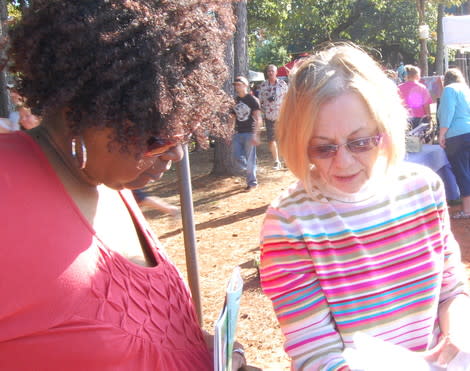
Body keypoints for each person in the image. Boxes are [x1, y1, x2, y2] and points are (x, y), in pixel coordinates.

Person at [0, 1, 246, 370]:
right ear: (79, 107)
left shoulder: (111, 184)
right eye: (156, 136)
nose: (176, 154)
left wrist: (202, 350)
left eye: (185, 133)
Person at [259, 43, 470, 370]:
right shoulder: (288, 222)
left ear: (383, 129)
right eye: (323, 148)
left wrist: (458, 335)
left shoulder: (423, 188)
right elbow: (313, 351)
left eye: (360, 142)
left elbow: (451, 287)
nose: (343, 162)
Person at [438, 68, 470, 219]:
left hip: (457, 136)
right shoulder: (465, 89)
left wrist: (442, 134)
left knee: (462, 171)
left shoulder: (449, 90)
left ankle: (467, 210)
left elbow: (447, 113)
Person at [231, 75, 263, 191]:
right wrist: (230, 132)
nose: (237, 87)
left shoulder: (252, 100)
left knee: (250, 160)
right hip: (238, 133)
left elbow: (258, 118)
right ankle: (252, 168)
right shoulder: (234, 100)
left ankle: (252, 183)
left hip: (250, 132)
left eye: (239, 84)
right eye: (235, 85)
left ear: (245, 85)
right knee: (237, 157)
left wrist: (256, 134)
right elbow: (232, 118)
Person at [258, 64, 288, 170]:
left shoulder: (282, 84)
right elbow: (259, 101)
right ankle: (276, 161)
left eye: (272, 71)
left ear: (276, 72)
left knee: (283, 138)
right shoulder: (263, 86)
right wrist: (264, 111)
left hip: (281, 116)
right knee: (271, 139)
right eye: (269, 71)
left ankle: (286, 160)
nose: (270, 72)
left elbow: (287, 99)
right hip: (269, 116)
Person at [398, 64, 433, 129]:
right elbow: (426, 105)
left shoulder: (399, 88)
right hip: (420, 118)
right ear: (416, 75)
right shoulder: (422, 88)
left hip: (404, 118)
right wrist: (429, 118)